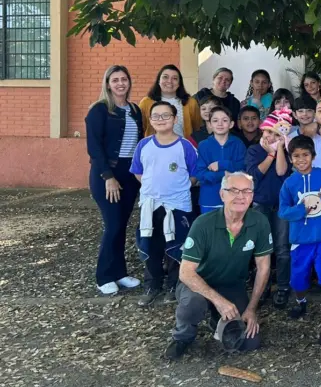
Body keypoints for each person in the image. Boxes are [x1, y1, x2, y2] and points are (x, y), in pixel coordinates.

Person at [165, 172, 273, 360]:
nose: (241, 196)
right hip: (197, 284)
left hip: (232, 286)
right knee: (193, 303)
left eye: (246, 191)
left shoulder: (260, 222)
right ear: (222, 195)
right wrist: (219, 301)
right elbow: (186, 273)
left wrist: (251, 308)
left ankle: (217, 320)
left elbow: (263, 267)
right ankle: (183, 336)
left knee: (250, 342)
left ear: (252, 196)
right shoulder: (203, 224)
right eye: (234, 191)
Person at [278, 135, 321, 344]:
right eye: (296, 156)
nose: (301, 159)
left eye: (305, 155)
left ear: (313, 156)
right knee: (298, 280)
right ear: (290, 158)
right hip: (301, 241)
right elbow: (283, 212)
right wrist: (299, 210)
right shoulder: (289, 183)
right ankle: (301, 301)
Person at [130, 101, 198, 306]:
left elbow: (194, 174)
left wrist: (177, 189)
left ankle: (173, 285)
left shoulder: (185, 145)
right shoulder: (144, 145)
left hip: (177, 205)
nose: (161, 120)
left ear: (175, 119)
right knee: (151, 245)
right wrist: (154, 190)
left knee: (176, 246)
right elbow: (138, 171)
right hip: (151, 205)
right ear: (150, 120)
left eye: (166, 115)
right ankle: (152, 284)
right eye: (156, 116)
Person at [87, 65, 144, 295]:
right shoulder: (99, 110)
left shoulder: (135, 110)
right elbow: (94, 147)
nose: (120, 83)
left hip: (129, 174)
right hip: (107, 174)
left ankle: (120, 273)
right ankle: (104, 276)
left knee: (121, 224)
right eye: (115, 80)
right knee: (112, 224)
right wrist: (108, 177)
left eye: (124, 79)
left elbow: (138, 144)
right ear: (108, 84)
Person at [246, 108, 292, 309]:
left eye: (276, 133)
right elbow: (255, 175)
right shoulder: (254, 151)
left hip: (281, 206)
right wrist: (270, 155)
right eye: (268, 132)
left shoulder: (286, 151)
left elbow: (282, 171)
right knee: (262, 248)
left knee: (282, 248)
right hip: (260, 204)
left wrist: (280, 149)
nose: (271, 136)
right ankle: (262, 286)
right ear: (262, 131)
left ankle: (282, 286)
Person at [194, 106, 246, 214]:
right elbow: (200, 173)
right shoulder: (203, 145)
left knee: (232, 230)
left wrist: (222, 164)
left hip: (235, 198)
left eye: (225, 120)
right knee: (209, 230)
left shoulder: (238, 143)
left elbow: (243, 167)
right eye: (215, 120)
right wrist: (224, 174)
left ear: (231, 124)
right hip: (209, 198)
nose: (220, 124)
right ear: (210, 124)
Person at [140, 64, 202, 140]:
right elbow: (141, 128)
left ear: (179, 83)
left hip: (182, 149)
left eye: (175, 78)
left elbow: (197, 128)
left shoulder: (191, 103)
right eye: (165, 77)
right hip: (154, 149)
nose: (169, 81)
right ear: (159, 81)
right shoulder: (146, 103)